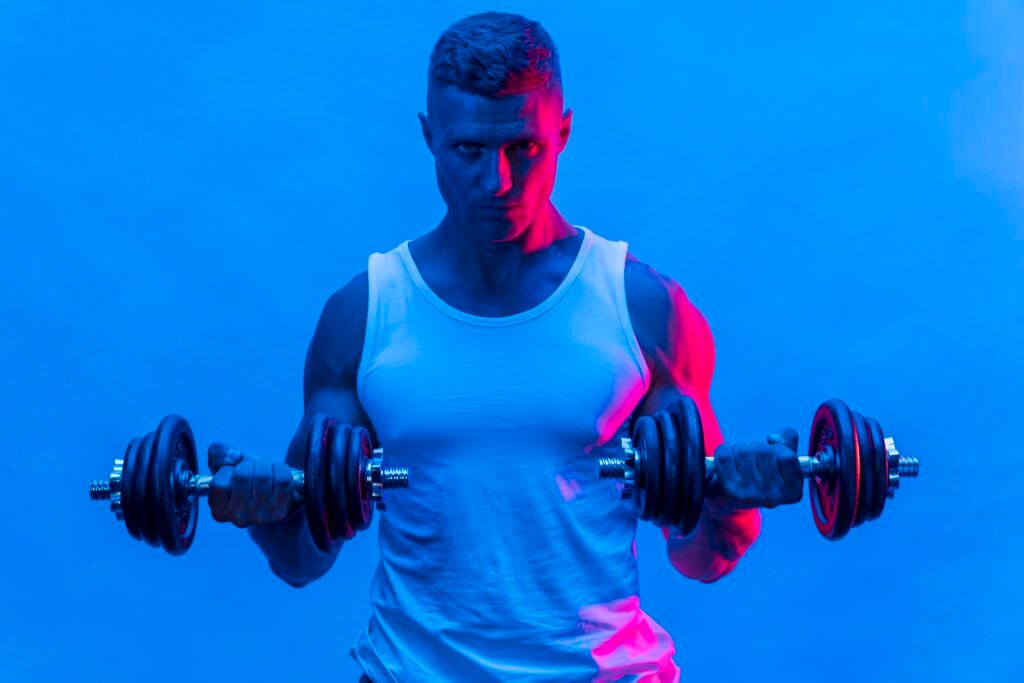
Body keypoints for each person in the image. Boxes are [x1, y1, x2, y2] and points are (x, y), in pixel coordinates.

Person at [206, 11, 804, 682]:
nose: (496, 182)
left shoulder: (643, 309)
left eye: (524, 148)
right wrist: (257, 509)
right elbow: (300, 557)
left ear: (563, 134)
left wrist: (735, 499)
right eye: (468, 151)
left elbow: (705, 556)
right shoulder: (365, 314)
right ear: (429, 138)